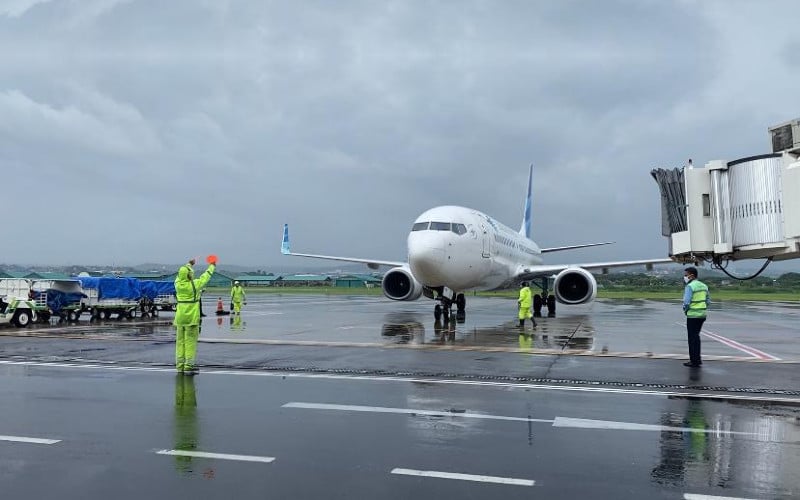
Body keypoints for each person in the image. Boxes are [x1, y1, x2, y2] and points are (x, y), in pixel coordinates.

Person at [174, 255, 217, 375]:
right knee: (190, 342)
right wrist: (212, 265)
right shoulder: (194, 285)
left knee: (180, 342)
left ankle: (179, 365)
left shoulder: (177, 284)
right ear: (189, 275)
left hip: (180, 317)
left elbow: (180, 275)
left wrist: (189, 264)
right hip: (191, 317)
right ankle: (188, 366)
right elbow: (206, 276)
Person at [682, 266, 709, 367]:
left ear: (691, 275)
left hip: (693, 315)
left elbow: (686, 302)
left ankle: (694, 361)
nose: (684, 277)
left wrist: (686, 311)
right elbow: (708, 300)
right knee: (696, 337)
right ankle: (697, 359)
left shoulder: (690, 286)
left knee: (692, 338)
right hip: (702, 315)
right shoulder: (704, 286)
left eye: (686, 275)